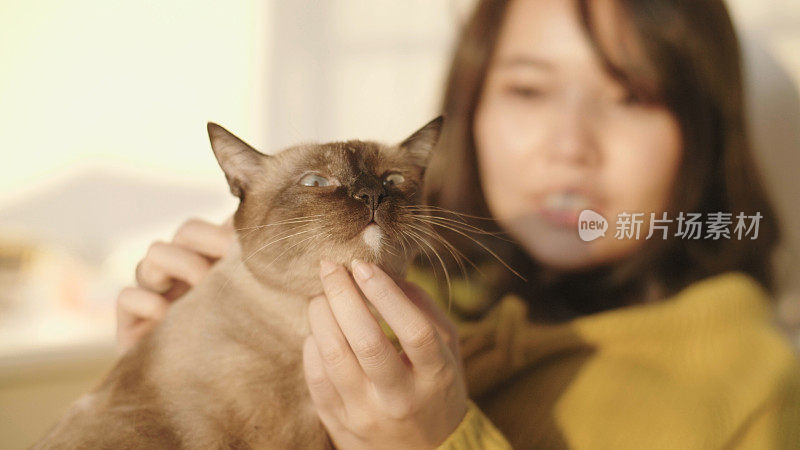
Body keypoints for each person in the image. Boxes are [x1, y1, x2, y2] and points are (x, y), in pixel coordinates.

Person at [117, 0, 800, 448]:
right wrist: (172, 388)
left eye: (633, 98)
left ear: (705, 135)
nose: (569, 145)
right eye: (528, 90)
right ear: (468, 113)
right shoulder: (419, 293)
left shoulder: (753, 386)